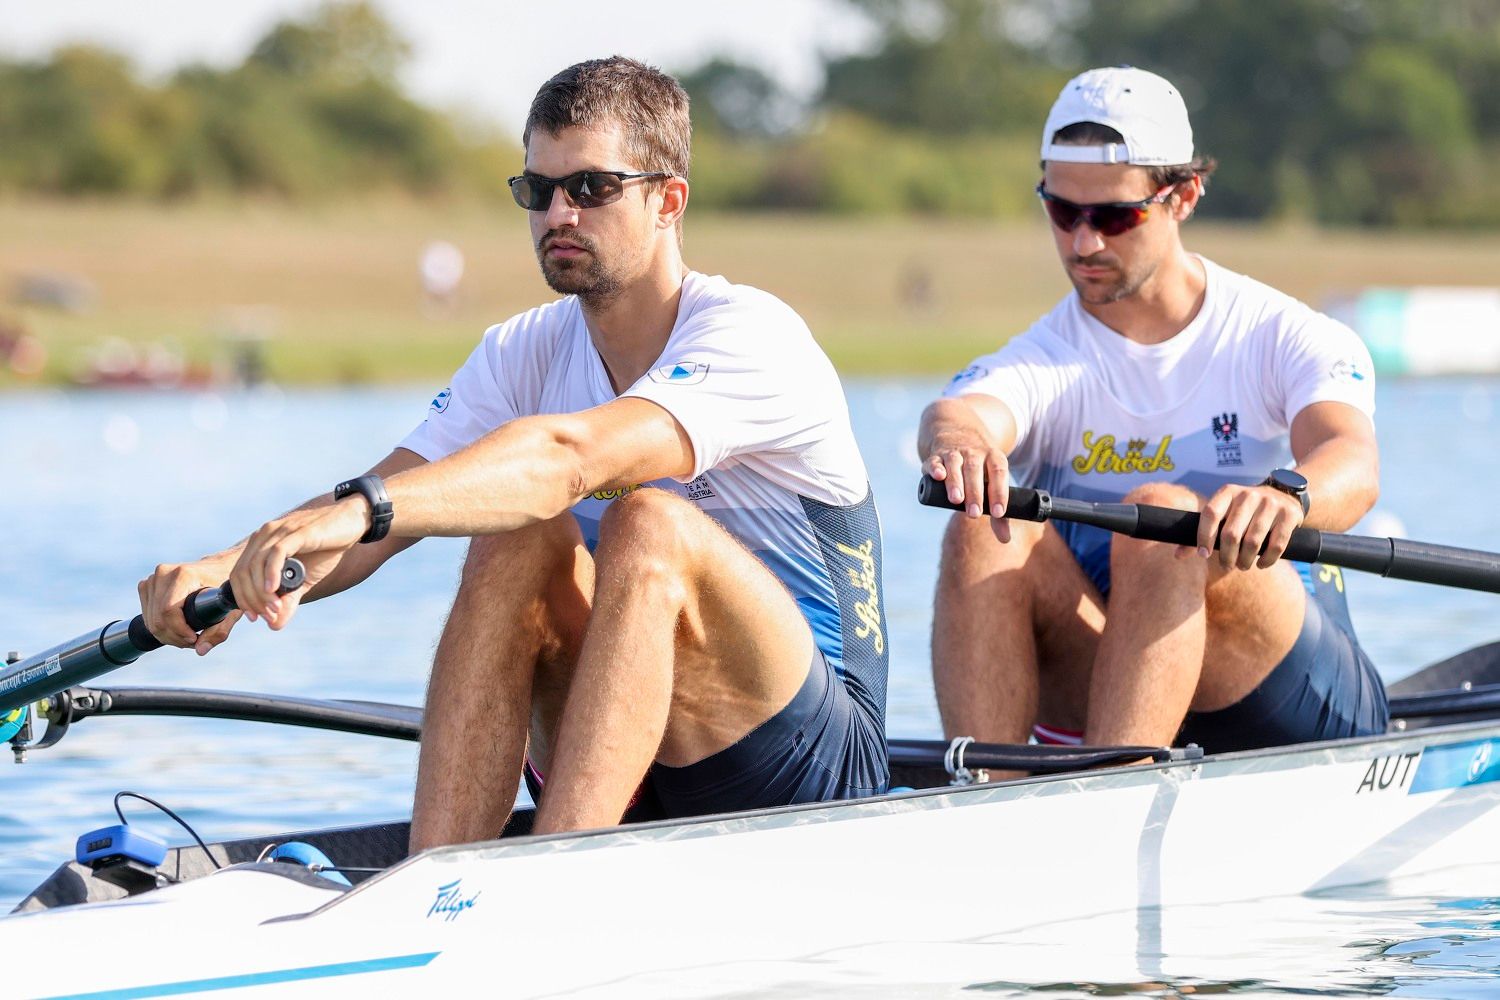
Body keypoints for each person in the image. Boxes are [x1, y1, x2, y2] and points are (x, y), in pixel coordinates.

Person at [140, 57, 890, 848]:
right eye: (538, 190)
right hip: (633, 744)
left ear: (669, 200)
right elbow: (378, 515)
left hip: (811, 764)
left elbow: (567, 458)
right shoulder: (518, 352)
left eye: (591, 188)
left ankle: (550, 883)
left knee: (649, 522)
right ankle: (441, 886)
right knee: (517, 534)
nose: (559, 213)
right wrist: (225, 568)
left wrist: (367, 509)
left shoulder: (752, 335)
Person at [918, 66, 1387, 758]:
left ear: (1184, 196)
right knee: (984, 525)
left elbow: (1352, 458)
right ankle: (989, 799)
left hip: (1293, 694)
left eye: (1112, 216)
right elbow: (959, 413)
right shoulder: (1047, 357)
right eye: (1061, 211)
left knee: (1162, 516)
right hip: (1114, 685)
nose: (1083, 243)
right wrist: (960, 443)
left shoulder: (1282, 336)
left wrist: (1287, 495)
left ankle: (1113, 793)